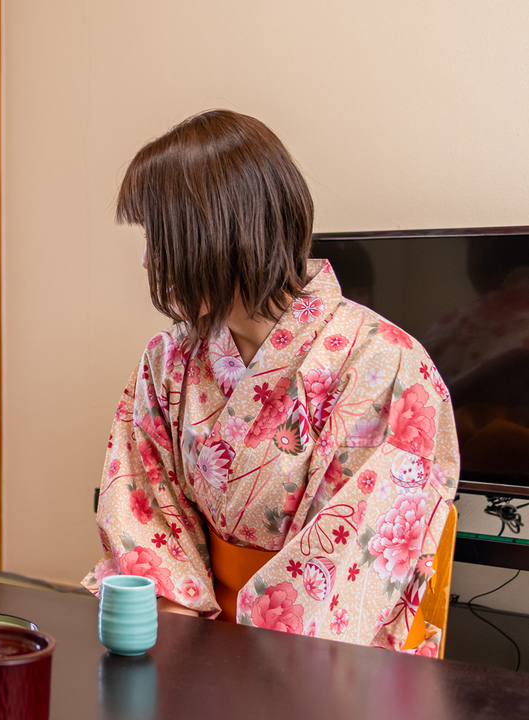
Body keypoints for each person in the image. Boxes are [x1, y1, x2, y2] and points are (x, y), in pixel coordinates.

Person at [84, 111, 459, 655]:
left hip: (318, 664)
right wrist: (178, 635)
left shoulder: (387, 368)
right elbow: (143, 503)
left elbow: (353, 571)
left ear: (221, 234)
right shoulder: (168, 360)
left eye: (158, 236)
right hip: (191, 641)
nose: (146, 260)